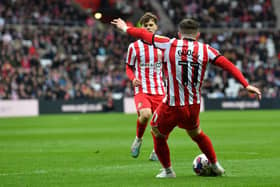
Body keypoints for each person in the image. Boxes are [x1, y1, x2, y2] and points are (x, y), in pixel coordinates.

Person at [111, 18, 262, 178]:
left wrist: (125, 28)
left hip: (173, 103)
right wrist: (246, 84)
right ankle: (215, 164)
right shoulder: (206, 49)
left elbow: (143, 34)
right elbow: (228, 65)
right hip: (194, 105)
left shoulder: (169, 43)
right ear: (197, 35)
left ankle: (168, 171)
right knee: (196, 133)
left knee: (156, 131)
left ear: (179, 34)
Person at [125, 13, 165, 161]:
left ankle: (156, 150)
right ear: (141, 28)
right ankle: (138, 139)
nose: (148, 27)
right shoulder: (134, 47)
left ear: (156, 27)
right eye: (146, 25)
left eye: (151, 25)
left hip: (160, 90)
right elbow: (128, 67)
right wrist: (133, 78)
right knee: (146, 115)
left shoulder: (162, 46)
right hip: (142, 88)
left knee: (160, 124)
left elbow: (168, 67)